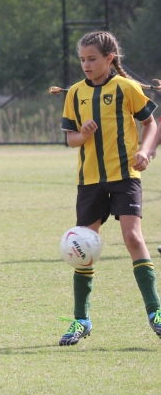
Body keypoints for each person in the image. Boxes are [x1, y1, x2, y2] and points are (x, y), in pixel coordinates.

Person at [52, 30, 161, 346]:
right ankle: (81, 320)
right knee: (84, 247)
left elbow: (151, 123)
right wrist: (83, 134)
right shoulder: (74, 93)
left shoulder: (126, 88)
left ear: (109, 59)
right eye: (82, 59)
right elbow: (71, 139)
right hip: (89, 182)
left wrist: (146, 151)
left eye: (92, 59)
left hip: (125, 176)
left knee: (132, 237)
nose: (86, 64)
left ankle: (155, 313)